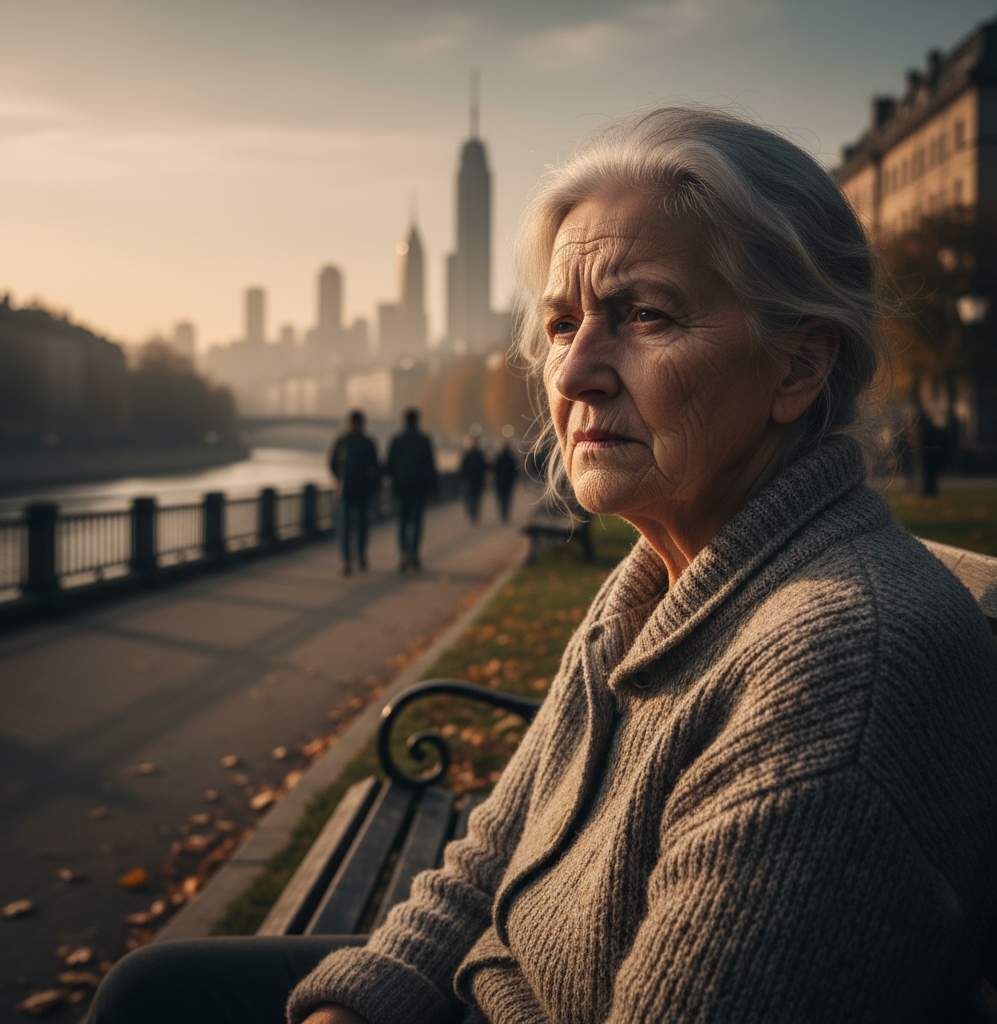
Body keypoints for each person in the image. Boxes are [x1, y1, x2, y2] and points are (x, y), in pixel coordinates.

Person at [87, 107, 997, 1024]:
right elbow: (492, 858)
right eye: (563, 325)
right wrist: (356, 1010)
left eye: (644, 315)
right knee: (155, 990)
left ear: (798, 366)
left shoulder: (839, 669)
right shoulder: (658, 582)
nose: (572, 376)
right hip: (498, 989)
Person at [384, 408, 437, 571]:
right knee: (416, 523)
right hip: (418, 489)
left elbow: (388, 466)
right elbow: (430, 466)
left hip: (400, 489)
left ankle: (402, 553)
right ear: (417, 421)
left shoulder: (396, 440)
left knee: (401, 523)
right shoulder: (424, 440)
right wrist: (433, 489)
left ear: (404, 421)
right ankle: (414, 553)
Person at [329, 410, 379, 576]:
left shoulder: (342, 441)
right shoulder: (368, 442)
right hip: (362, 490)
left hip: (346, 490)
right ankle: (359, 557)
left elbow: (331, 463)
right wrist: (373, 488)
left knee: (345, 527)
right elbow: (375, 468)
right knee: (361, 526)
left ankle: (347, 561)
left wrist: (339, 480)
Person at [459, 435, 488, 523]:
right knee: (476, 499)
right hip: (477, 481)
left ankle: (472, 513)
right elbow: (485, 467)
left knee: (470, 498)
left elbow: (462, 468)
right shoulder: (480, 455)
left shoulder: (467, 455)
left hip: (470, 480)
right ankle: (473, 514)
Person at [491, 442, 518, 522]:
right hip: (509, 481)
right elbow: (515, 470)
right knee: (507, 498)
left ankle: (502, 513)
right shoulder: (511, 457)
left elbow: (494, 468)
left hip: (500, 481)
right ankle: (505, 514)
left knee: (500, 498)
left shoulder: (498, 457)